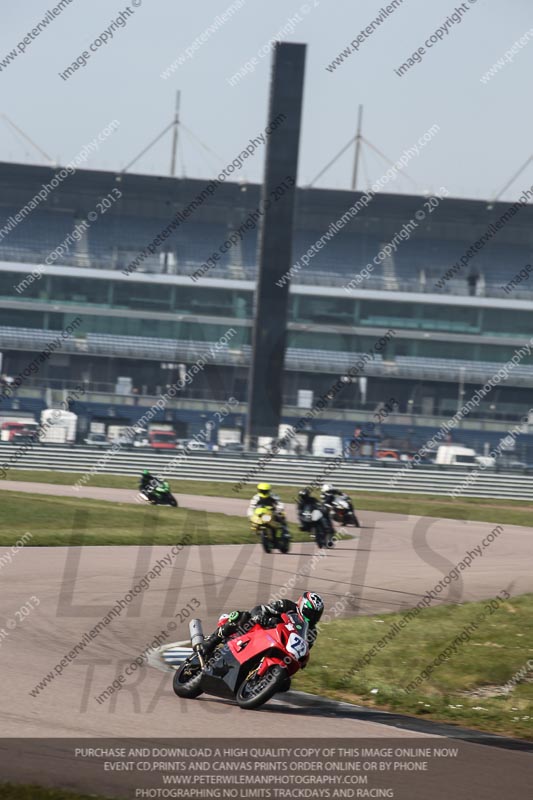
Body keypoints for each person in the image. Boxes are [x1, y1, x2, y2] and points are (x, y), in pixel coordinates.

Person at [201, 592, 325, 657]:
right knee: (243, 617)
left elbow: (302, 653)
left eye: (316, 615)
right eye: (311, 613)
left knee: (285, 684)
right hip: (259, 631)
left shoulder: (311, 633)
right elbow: (259, 609)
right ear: (303, 605)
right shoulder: (287, 606)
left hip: (276, 648)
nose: (313, 617)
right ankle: (212, 640)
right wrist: (263, 618)